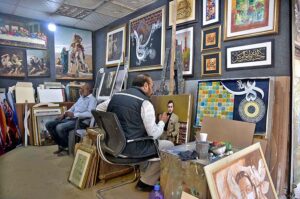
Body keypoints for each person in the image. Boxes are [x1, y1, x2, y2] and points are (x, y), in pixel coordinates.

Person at [96, 74, 174, 192]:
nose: (152, 90)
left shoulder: (116, 96)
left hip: (112, 146)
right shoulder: (145, 103)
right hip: (131, 149)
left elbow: (98, 109)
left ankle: (145, 174)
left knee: (146, 141)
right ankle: (146, 182)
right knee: (169, 146)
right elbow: (153, 134)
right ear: (146, 85)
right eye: (152, 86)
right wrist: (162, 122)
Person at [45, 83, 97, 156]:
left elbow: (90, 114)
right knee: (49, 124)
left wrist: (74, 115)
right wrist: (64, 113)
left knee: (60, 127)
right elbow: (73, 108)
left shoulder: (92, 100)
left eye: (82, 89)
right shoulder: (81, 98)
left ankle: (65, 146)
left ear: (88, 90)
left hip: (81, 122)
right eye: (80, 89)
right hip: (72, 119)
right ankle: (61, 145)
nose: (80, 91)